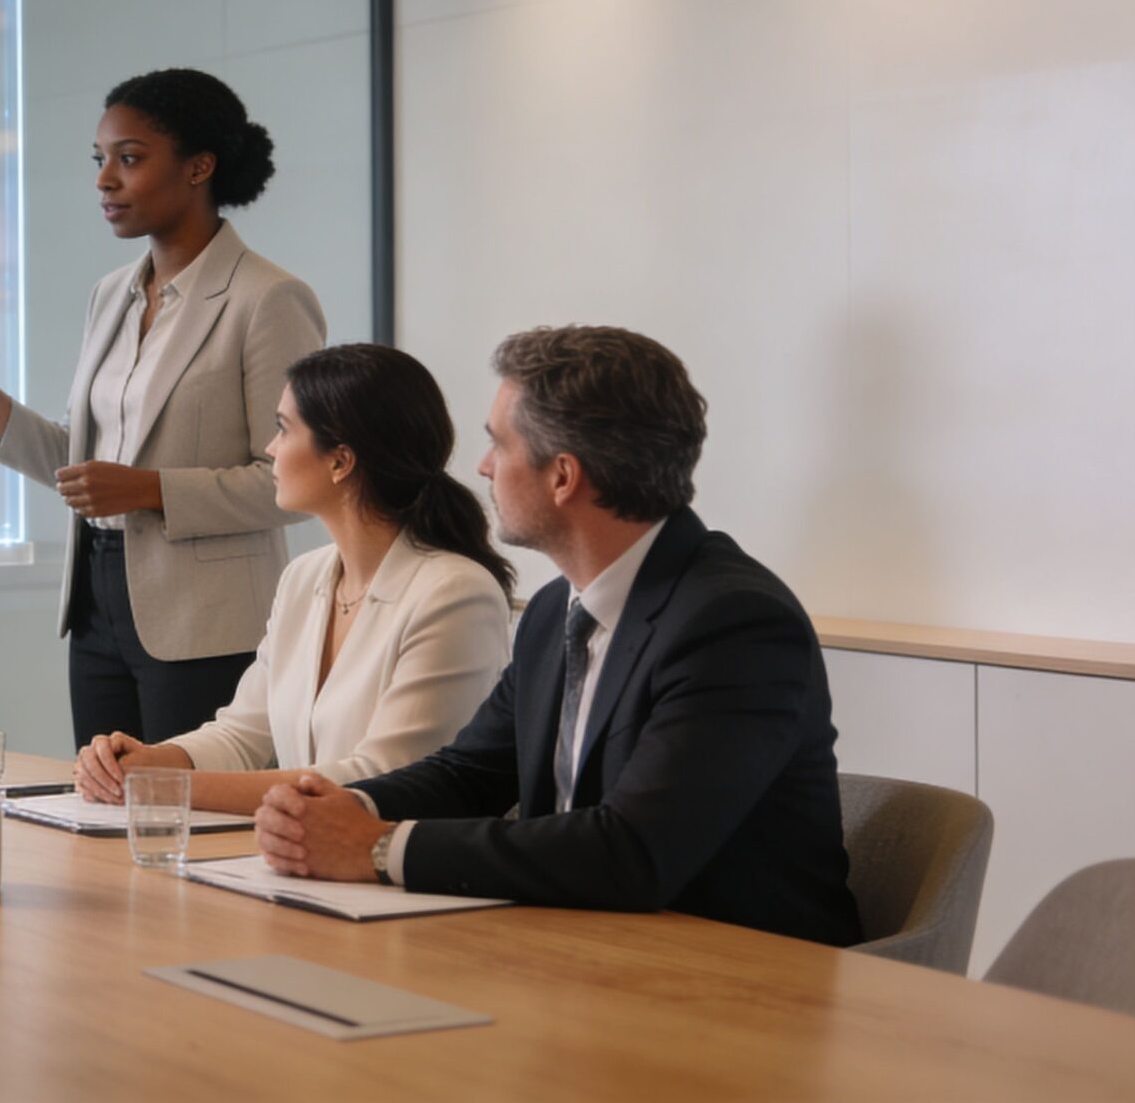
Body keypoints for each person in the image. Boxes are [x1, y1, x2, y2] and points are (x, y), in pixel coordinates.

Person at [252, 326, 862, 946]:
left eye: (498, 444)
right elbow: (470, 774)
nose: (483, 466)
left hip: (740, 976)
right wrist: (340, 807)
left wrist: (380, 848)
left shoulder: (734, 624)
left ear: (563, 476)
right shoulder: (552, 611)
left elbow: (633, 852)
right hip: (583, 946)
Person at [0, 68, 327, 745]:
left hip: (206, 620)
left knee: (188, 822)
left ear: (200, 168)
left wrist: (151, 490)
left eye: (129, 159)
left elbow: (285, 484)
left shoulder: (268, 299)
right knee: (103, 807)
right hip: (98, 605)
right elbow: (89, 473)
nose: (105, 179)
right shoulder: (112, 294)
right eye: (100, 160)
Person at [72, 344, 512, 817]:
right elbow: (242, 733)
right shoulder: (305, 577)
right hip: (313, 860)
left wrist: (162, 787)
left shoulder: (455, 593)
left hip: (415, 873)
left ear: (340, 460)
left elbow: (382, 777)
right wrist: (149, 760)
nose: (270, 448)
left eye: (283, 429)